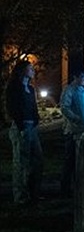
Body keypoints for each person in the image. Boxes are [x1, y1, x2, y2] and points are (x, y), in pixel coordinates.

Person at [5, 60, 44, 205]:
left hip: (32, 128)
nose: (33, 70)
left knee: (37, 160)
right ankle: (20, 196)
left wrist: (36, 120)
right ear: (22, 71)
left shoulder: (31, 89)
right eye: (30, 68)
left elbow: (33, 107)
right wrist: (21, 126)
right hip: (20, 127)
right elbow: (12, 108)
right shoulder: (14, 88)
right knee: (21, 162)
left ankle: (34, 193)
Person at [59, 67, 84, 198]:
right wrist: (76, 119)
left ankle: (80, 186)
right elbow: (65, 108)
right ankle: (65, 189)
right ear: (76, 77)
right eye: (83, 76)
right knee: (70, 161)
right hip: (73, 131)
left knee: (82, 161)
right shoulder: (69, 90)